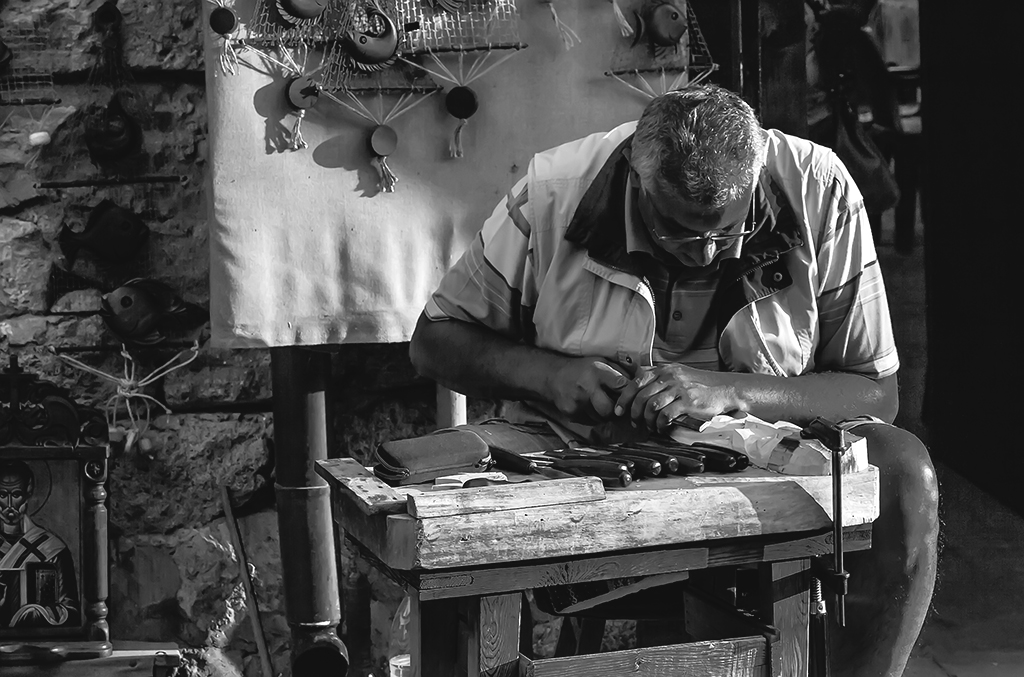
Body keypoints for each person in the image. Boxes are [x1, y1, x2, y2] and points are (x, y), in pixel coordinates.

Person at [409, 84, 938, 676]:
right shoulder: (554, 191)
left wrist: (731, 392)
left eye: (726, 231)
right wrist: (549, 375)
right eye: (680, 232)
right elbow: (434, 340)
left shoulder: (819, 188)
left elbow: (876, 391)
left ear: (755, 178)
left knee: (904, 475)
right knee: (445, 541)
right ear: (637, 180)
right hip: (586, 446)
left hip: (771, 446)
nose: (706, 254)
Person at [0, 460, 80, 628]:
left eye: (16, 495)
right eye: (2, 495)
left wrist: (40, 613)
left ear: (28, 491)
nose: (9, 505)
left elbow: (71, 610)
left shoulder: (52, 549)